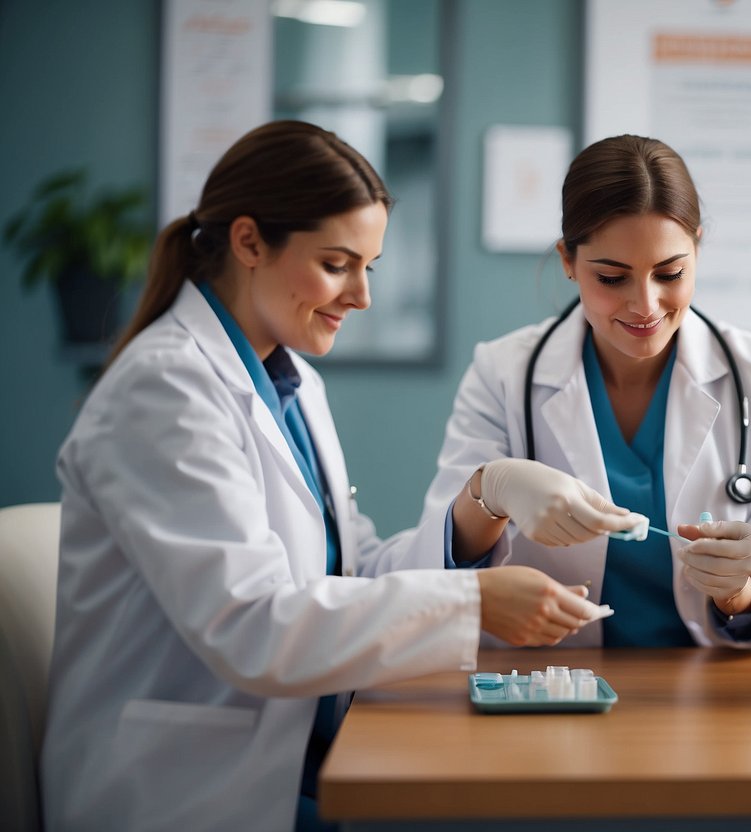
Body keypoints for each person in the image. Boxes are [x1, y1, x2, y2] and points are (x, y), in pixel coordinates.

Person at [40, 121, 601, 832]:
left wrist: (481, 502)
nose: (362, 295)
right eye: (338, 264)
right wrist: (474, 604)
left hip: (287, 773)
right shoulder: (165, 390)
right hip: (177, 796)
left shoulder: (291, 379)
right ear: (248, 242)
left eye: (369, 264)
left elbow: (351, 571)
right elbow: (249, 625)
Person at [401, 134, 751, 648]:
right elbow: (436, 565)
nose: (645, 305)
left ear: (697, 247)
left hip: (709, 690)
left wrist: (740, 591)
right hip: (550, 681)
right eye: (611, 277)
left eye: (670, 273)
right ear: (568, 260)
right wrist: (489, 492)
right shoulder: (502, 374)